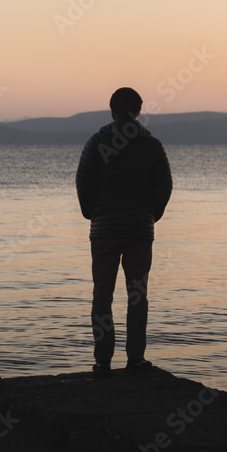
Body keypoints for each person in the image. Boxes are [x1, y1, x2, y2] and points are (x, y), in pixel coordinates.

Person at [75, 87, 172, 376]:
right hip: (139, 229)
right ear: (139, 111)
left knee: (102, 295)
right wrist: (152, 216)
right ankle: (136, 359)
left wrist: (91, 213)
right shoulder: (151, 146)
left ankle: (103, 360)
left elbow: (83, 181)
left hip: (104, 229)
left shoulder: (96, 142)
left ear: (112, 110)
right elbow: (164, 186)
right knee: (137, 295)